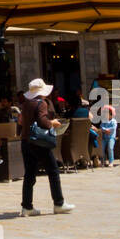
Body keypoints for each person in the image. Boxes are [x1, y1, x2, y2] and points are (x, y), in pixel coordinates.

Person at [18, 78, 72, 215]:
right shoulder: (41, 103)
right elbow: (42, 121)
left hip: (26, 141)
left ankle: (27, 206)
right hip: (38, 142)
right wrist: (52, 123)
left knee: (29, 174)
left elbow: (21, 121)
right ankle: (59, 203)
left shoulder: (26, 104)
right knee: (53, 171)